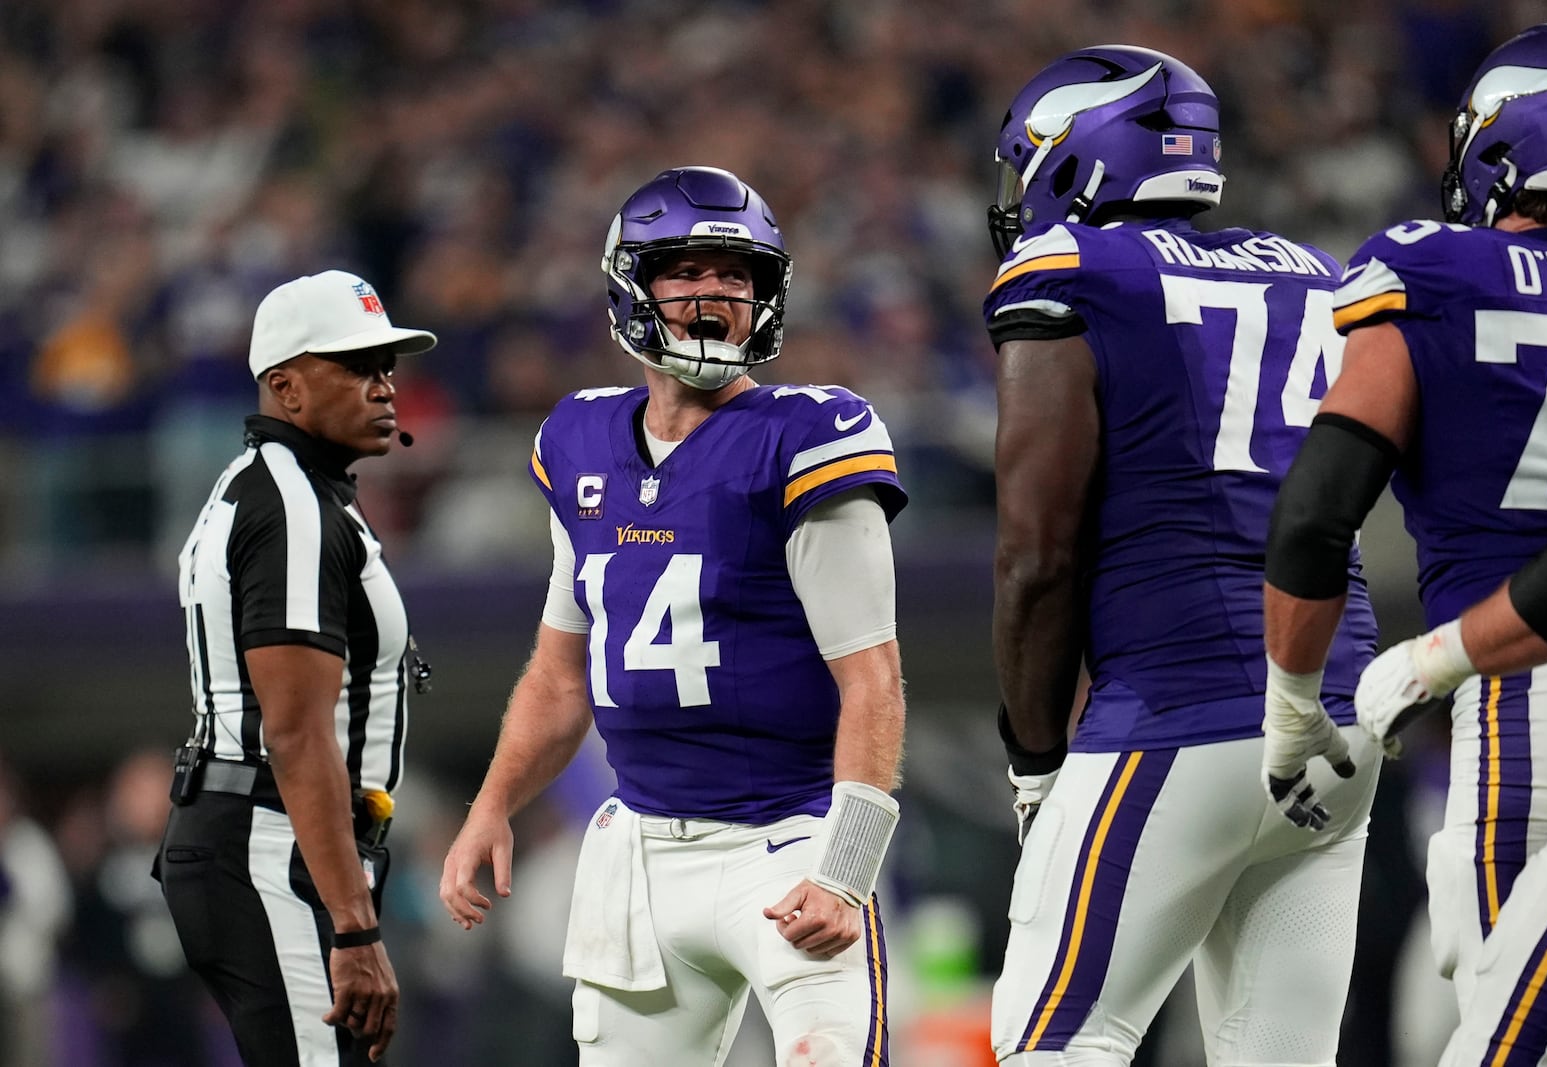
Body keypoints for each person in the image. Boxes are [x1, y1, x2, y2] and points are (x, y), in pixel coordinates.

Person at [438, 166, 907, 1066]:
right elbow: (559, 672)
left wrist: (844, 868)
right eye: (688, 272)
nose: (715, 295)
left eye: (738, 277)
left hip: (788, 839)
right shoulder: (578, 439)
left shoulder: (806, 435)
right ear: (632, 286)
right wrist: (492, 804)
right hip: (641, 849)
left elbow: (872, 678)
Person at [985, 46, 1380, 1065]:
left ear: (1071, 161)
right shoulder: (1309, 271)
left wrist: (1033, 762)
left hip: (1179, 708)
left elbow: (1037, 555)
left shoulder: (1072, 270)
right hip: (1334, 708)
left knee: (1055, 1041)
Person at [1261, 20, 1547, 1037]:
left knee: (1510, 1033)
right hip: (1529, 669)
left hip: (1525, 696)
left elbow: (1316, 516)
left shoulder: (1433, 269)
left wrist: (1294, 705)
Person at [156, 269, 437, 1066]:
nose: (385, 387)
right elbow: (295, 729)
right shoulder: (292, 505)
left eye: (388, 366)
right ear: (286, 386)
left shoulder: (281, 489)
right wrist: (355, 926)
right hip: (270, 839)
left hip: (269, 835)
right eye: (356, 366)